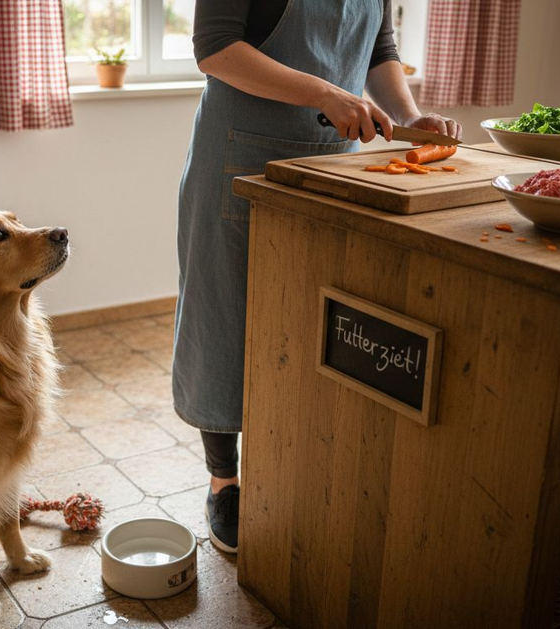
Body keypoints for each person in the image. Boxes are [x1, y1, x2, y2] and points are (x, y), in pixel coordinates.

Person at [172, 0, 462, 554]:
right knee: (223, 321)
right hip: (240, 155)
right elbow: (215, 50)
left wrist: (408, 114)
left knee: (316, 326)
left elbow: (379, 50)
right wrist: (325, 92)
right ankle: (224, 483)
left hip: (334, 162)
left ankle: (295, 470)